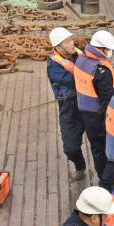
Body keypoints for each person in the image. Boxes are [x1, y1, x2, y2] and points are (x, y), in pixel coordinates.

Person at [74, 30, 114, 178]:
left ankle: (102, 177)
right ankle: (108, 180)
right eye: (108, 49)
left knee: (96, 149)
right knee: (106, 148)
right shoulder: (101, 71)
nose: (110, 52)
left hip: (85, 112)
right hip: (99, 116)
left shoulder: (81, 59)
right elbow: (107, 100)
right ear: (102, 49)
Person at [47, 27, 86, 180]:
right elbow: (74, 80)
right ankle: (80, 165)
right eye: (67, 42)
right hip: (70, 109)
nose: (71, 43)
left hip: (89, 105)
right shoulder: (54, 66)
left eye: (71, 40)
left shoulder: (80, 54)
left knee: (101, 141)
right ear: (58, 47)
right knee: (71, 148)